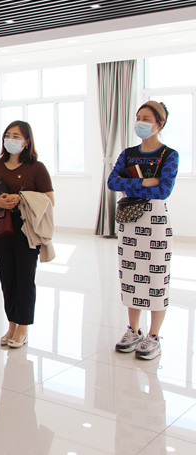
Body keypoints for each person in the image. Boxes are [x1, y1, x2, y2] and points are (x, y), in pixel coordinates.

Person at [108, 101, 178, 360]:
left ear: (160, 124)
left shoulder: (169, 155)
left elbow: (164, 190)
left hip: (155, 223)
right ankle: (133, 330)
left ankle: (153, 336)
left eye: (146, 118)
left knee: (156, 278)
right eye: (138, 117)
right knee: (130, 276)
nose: (140, 122)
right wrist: (146, 181)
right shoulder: (128, 153)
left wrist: (130, 184)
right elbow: (112, 182)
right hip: (130, 222)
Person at [0, 120, 54, 349]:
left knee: (25, 278)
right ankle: (12, 324)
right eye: (7, 135)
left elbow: (50, 200)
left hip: (26, 229)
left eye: (16, 136)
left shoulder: (37, 168)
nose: (10, 140)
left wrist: (22, 199)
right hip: (3, 226)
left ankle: (23, 327)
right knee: (7, 278)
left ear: (26, 142)